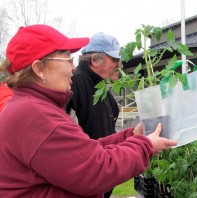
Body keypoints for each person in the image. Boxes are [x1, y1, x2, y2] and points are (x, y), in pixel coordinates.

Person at [0, 24, 177, 198]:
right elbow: (96, 169)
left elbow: (84, 153)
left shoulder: (31, 106)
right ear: (39, 69)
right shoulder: (34, 114)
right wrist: (146, 145)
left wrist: (132, 135)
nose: (73, 67)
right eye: (67, 59)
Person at [66, 32, 122, 198]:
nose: (119, 65)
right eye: (114, 59)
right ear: (95, 61)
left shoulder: (101, 87)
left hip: (102, 177)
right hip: (86, 182)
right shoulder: (75, 84)